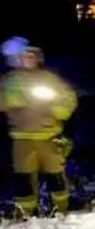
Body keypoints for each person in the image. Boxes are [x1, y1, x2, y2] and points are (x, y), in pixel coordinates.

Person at [0, 37, 78, 217]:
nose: (28, 59)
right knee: (24, 178)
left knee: (56, 175)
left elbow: (68, 98)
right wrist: (13, 99)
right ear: (17, 59)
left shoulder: (48, 78)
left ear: (37, 58)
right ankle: (26, 215)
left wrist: (57, 110)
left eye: (31, 56)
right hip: (22, 138)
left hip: (49, 136)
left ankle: (61, 211)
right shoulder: (9, 80)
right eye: (24, 56)